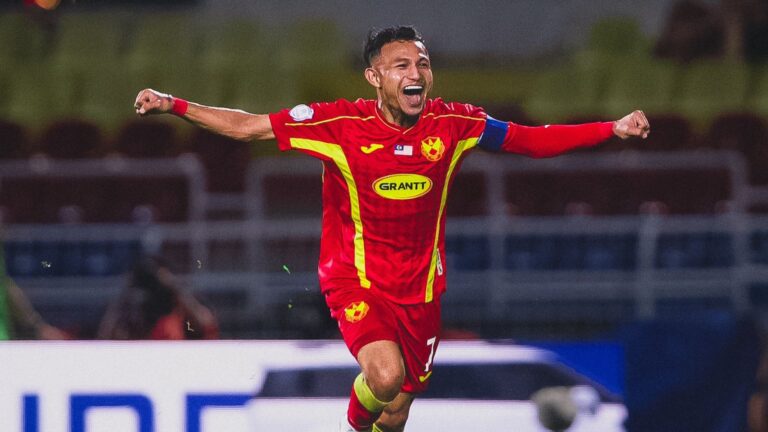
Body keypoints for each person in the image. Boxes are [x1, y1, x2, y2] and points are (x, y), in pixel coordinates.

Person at [133, 25, 649, 432]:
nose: (415, 72)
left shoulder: (455, 125)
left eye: (422, 63)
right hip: (355, 278)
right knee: (385, 376)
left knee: (397, 409)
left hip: (420, 289)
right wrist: (175, 104)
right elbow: (248, 126)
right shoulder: (338, 125)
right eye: (401, 65)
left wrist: (612, 127)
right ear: (374, 77)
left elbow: (530, 140)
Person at [97, 256, 219, 340]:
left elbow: (206, 326)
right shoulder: (128, 314)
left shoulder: (176, 311)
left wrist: (175, 289)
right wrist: (124, 298)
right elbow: (106, 338)